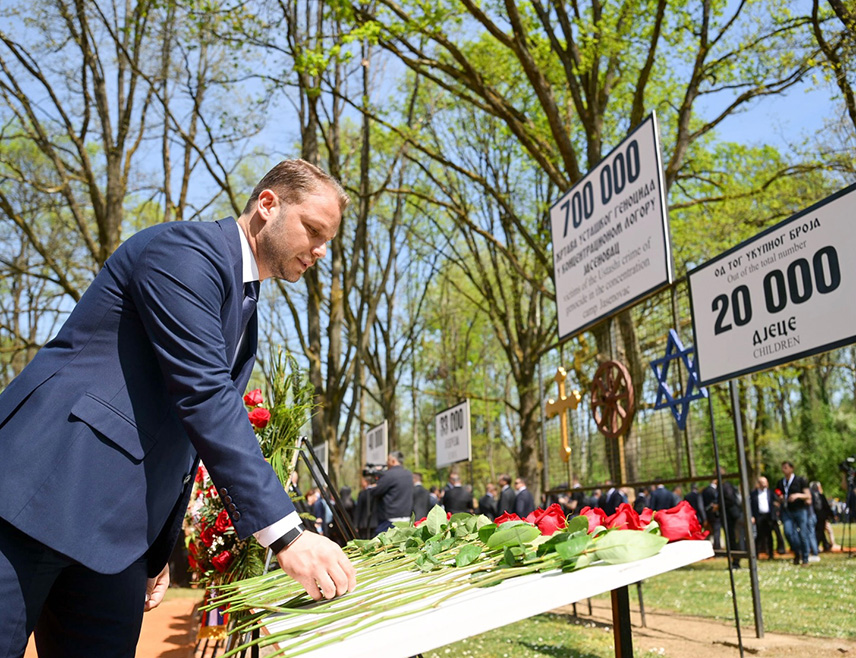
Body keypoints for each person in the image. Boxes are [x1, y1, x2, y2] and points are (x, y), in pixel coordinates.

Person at [0, 159, 357, 655]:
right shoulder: (185, 251)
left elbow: (184, 440)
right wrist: (287, 536)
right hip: (34, 494)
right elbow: (204, 396)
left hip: (116, 541)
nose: (320, 250)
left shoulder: (245, 308)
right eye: (313, 230)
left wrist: (155, 547)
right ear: (267, 204)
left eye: (327, 240)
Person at [777, 460, 812, 566]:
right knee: (788, 532)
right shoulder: (781, 482)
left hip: (800, 510)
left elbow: (808, 496)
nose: (784, 470)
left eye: (786, 467)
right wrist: (780, 498)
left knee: (803, 534)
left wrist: (797, 495)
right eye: (783, 467)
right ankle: (797, 552)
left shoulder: (800, 480)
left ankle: (805, 558)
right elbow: (778, 493)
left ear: (792, 469)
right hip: (787, 511)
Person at [370, 451, 414, 535]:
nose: (386, 463)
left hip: (389, 520)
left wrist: (374, 484)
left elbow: (375, 491)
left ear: (393, 461)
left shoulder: (389, 475)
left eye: (388, 460)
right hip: (406, 517)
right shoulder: (409, 474)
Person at [750, 476, 776, 559]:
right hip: (759, 516)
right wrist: (752, 516)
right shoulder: (753, 494)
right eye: (763, 482)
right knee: (759, 535)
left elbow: (775, 502)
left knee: (769, 535)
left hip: (768, 516)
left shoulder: (770, 492)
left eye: (766, 482)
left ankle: (771, 554)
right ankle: (756, 554)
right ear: (759, 484)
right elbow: (751, 506)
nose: (765, 484)